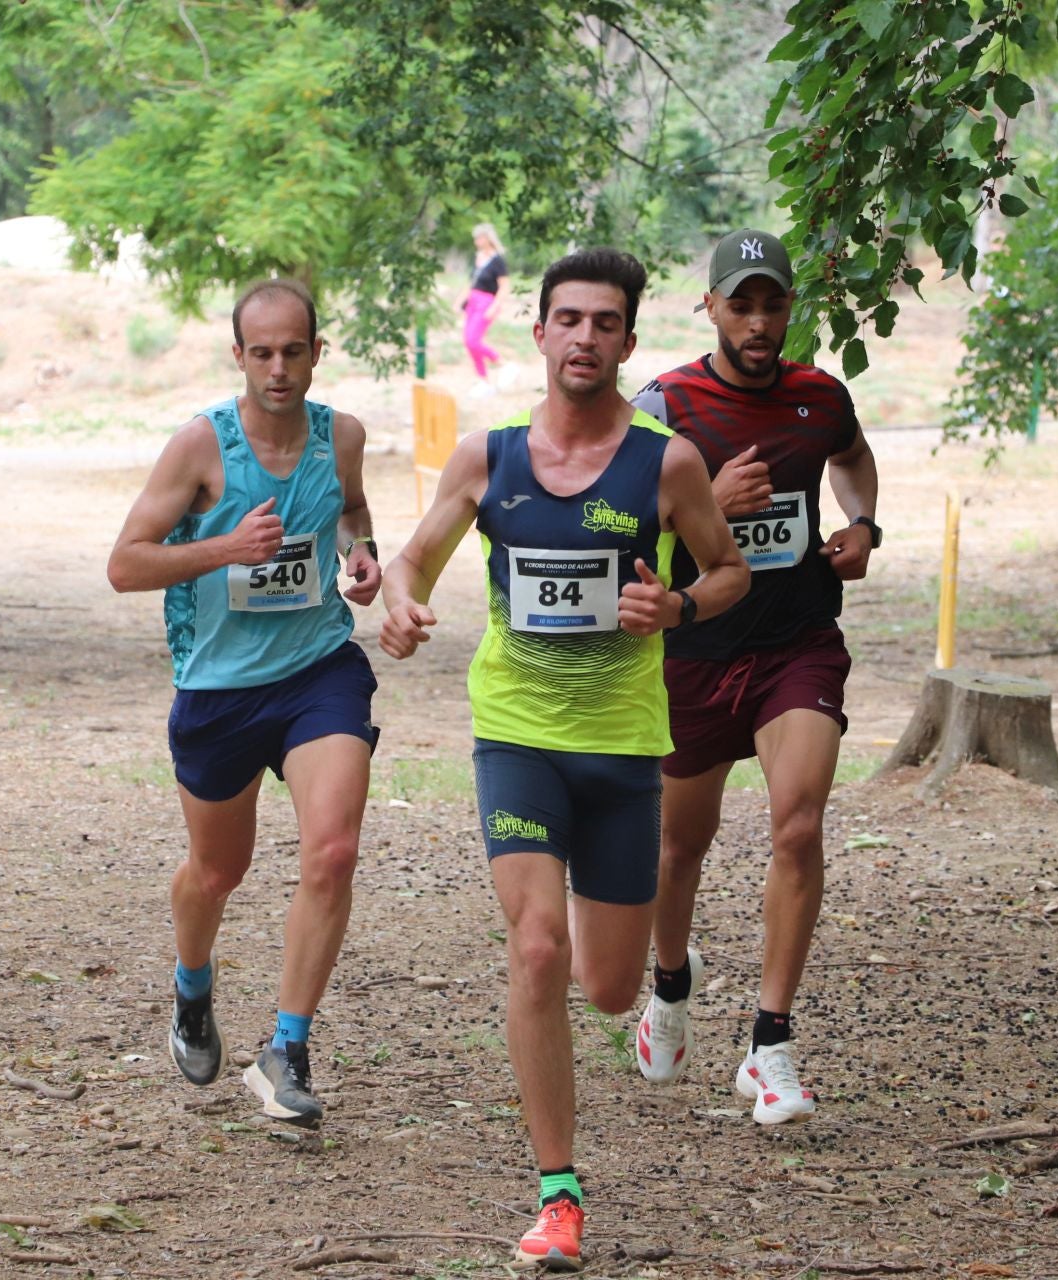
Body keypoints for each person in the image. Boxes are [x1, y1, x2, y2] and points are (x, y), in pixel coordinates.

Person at [380, 248, 748, 1269]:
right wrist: (405, 597)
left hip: (625, 746)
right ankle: (558, 1190)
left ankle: (663, 970)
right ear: (537, 332)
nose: (585, 337)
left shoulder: (667, 463)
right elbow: (415, 554)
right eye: (568, 319)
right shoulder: (489, 457)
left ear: (629, 341)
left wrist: (674, 604)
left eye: (605, 323)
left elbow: (728, 571)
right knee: (537, 945)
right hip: (518, 735)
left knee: (608, 987)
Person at [106, 277, 382, 1130]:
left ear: (316, 353)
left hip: (317, 671)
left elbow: (353, 508)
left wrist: (364, 554)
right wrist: (226, 545)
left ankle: (287, 1050)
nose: (277, 369)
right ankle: (193, 986)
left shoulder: (342, 437)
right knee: (218, 872)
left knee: (331, 852)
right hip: (219, 689)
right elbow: (125, 563)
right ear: (238, 356)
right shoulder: (200, 448)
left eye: (292, 352)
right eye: (260, 353)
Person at [628, 228, 881, 1125]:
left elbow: (852, 459)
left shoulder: (820, 397)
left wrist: (862, 525)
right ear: (711, 309)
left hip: (796, 643)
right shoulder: (663, 401)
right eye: (742, 303)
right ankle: (669, 980)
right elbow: (614, 520)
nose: (760, 320)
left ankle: (770, 1044)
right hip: (695, 652)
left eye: (774, 302)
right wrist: (699, 507)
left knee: (799, 822)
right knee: (677, 849)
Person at [459, 222, 511, 393]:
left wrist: (495, 306)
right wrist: (460, 301)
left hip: (487, 302)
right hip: (473, 302)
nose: (477, 241)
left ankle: (503, 364)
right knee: (468, 342)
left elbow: (504, 286)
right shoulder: (479, 258)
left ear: (488, 238)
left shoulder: (497, 261)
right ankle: (483, 379)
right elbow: (471, 283)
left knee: (473, 340)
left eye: (480, 238)